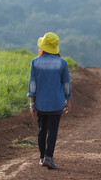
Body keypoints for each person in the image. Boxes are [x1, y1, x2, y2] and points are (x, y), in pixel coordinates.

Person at [27, 32, 72, 169]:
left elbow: (32, 84)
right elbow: (66, 84)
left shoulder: (35, 62)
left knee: (42, 130)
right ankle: (49, 157)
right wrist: (67, 101)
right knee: (52, 130)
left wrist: (32, 103)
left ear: (43, 47)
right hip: (56, 103)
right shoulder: (62, 63)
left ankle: (42, 157)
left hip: (41, 103)